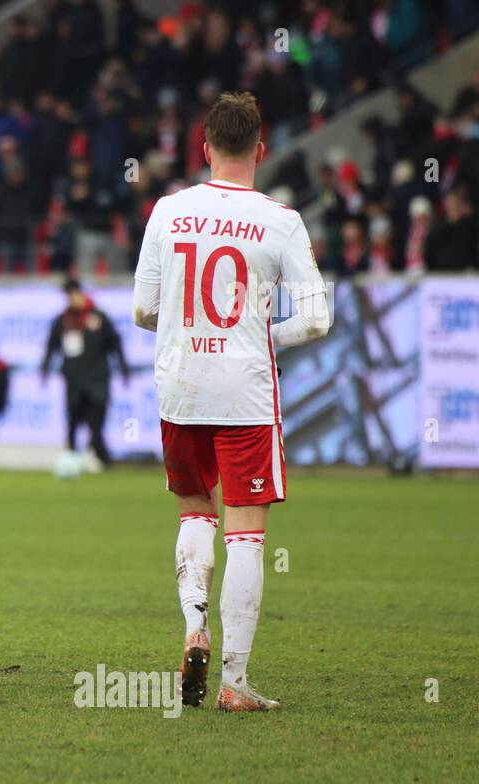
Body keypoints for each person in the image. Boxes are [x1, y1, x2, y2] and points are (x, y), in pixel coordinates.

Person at [132, 92, 330, 713]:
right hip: (245, 390)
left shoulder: (168, 210)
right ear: (261, 150)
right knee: (247, 532)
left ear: (205, 147)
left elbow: (142, 311)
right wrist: (260, 331)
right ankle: (235, 682)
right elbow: (317, 320)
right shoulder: (282, 220)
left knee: (196, 512)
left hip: (182, 387)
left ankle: (195, 625)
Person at [40, 279, 127, 466]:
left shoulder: (99, 317)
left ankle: (99, 454)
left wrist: (123, 368)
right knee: (73, 417)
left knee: (96, 418)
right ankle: (72, 455)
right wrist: (44, 370)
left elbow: (115, 344)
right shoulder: (63, 320)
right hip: (74, 378)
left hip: (97, 377)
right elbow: (51, 347)